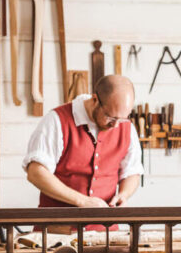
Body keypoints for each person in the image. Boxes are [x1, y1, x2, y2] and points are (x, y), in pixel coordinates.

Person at [23, 75, 143, 211]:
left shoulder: (126, 127)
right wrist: (82, 201)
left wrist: (124, 194)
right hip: (57, 228)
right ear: (95, 100)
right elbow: (36, 172)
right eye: (110, 117)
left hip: (106, 229)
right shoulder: (57, 120)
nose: (116, 125)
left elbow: (132, 171)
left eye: (122, 119)